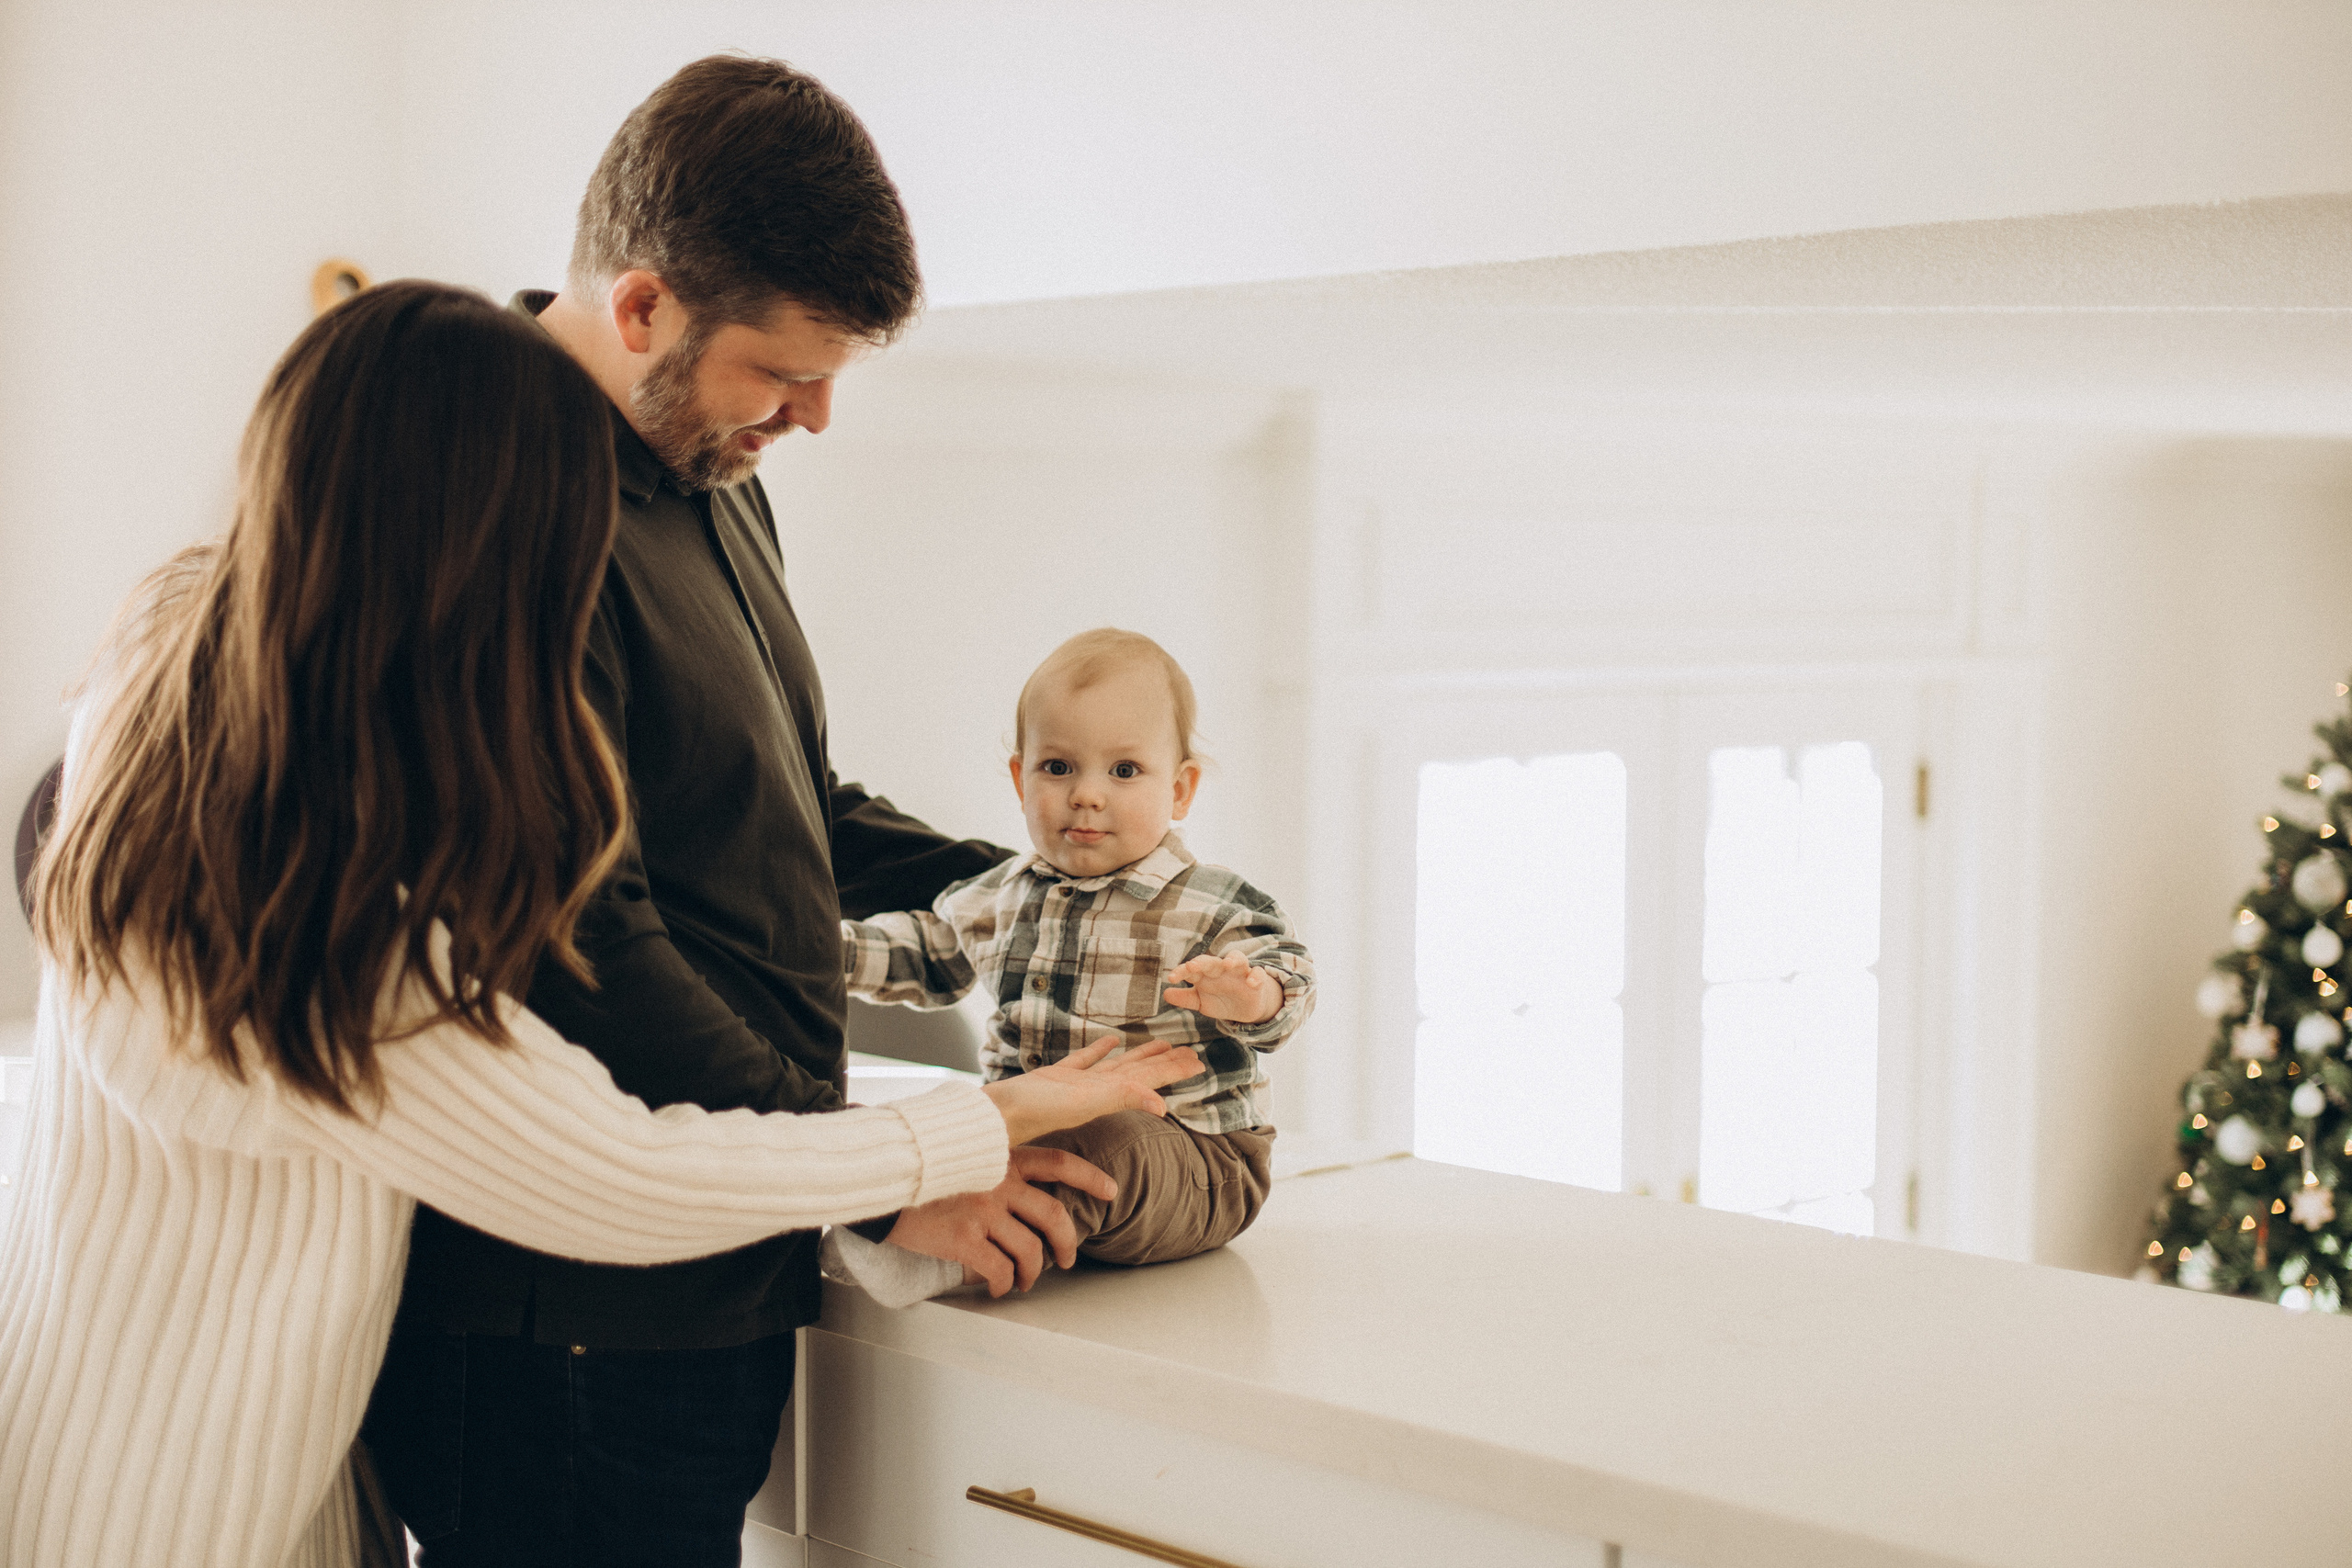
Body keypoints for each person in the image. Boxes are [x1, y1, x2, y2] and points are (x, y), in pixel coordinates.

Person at [0, 283, 1199, 1568]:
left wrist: (1076, 910)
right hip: (177, 1512)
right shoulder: (302, 908)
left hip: (194, 1461)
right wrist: (971, 1128)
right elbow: (622, 1169)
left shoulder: (185, 667)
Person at [362, 55, 1129, 1564]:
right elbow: (584, 940)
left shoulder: (712, 473)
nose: (819, 416)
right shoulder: (492, 504)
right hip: (557, 1326)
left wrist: (1059, 894)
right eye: (785, 374)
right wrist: (888, 1175)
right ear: (644, 308)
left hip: (706, 1281)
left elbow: (788, 811)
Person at [834, 628, 1315, 1303]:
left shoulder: (1210, 901)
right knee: (953, 1125)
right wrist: (828, 950)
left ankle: (955, 1256)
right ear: (1018, 776)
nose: (1087, 794)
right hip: (1027, 1129)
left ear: (1180, 790)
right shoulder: (997, 893)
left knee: (1104, 1143)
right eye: (1058, 767)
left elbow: (1288, 973)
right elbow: (927, 951)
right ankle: (943, 1212)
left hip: (1193, 1155)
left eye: (1123, 771)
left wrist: (1254, 994)